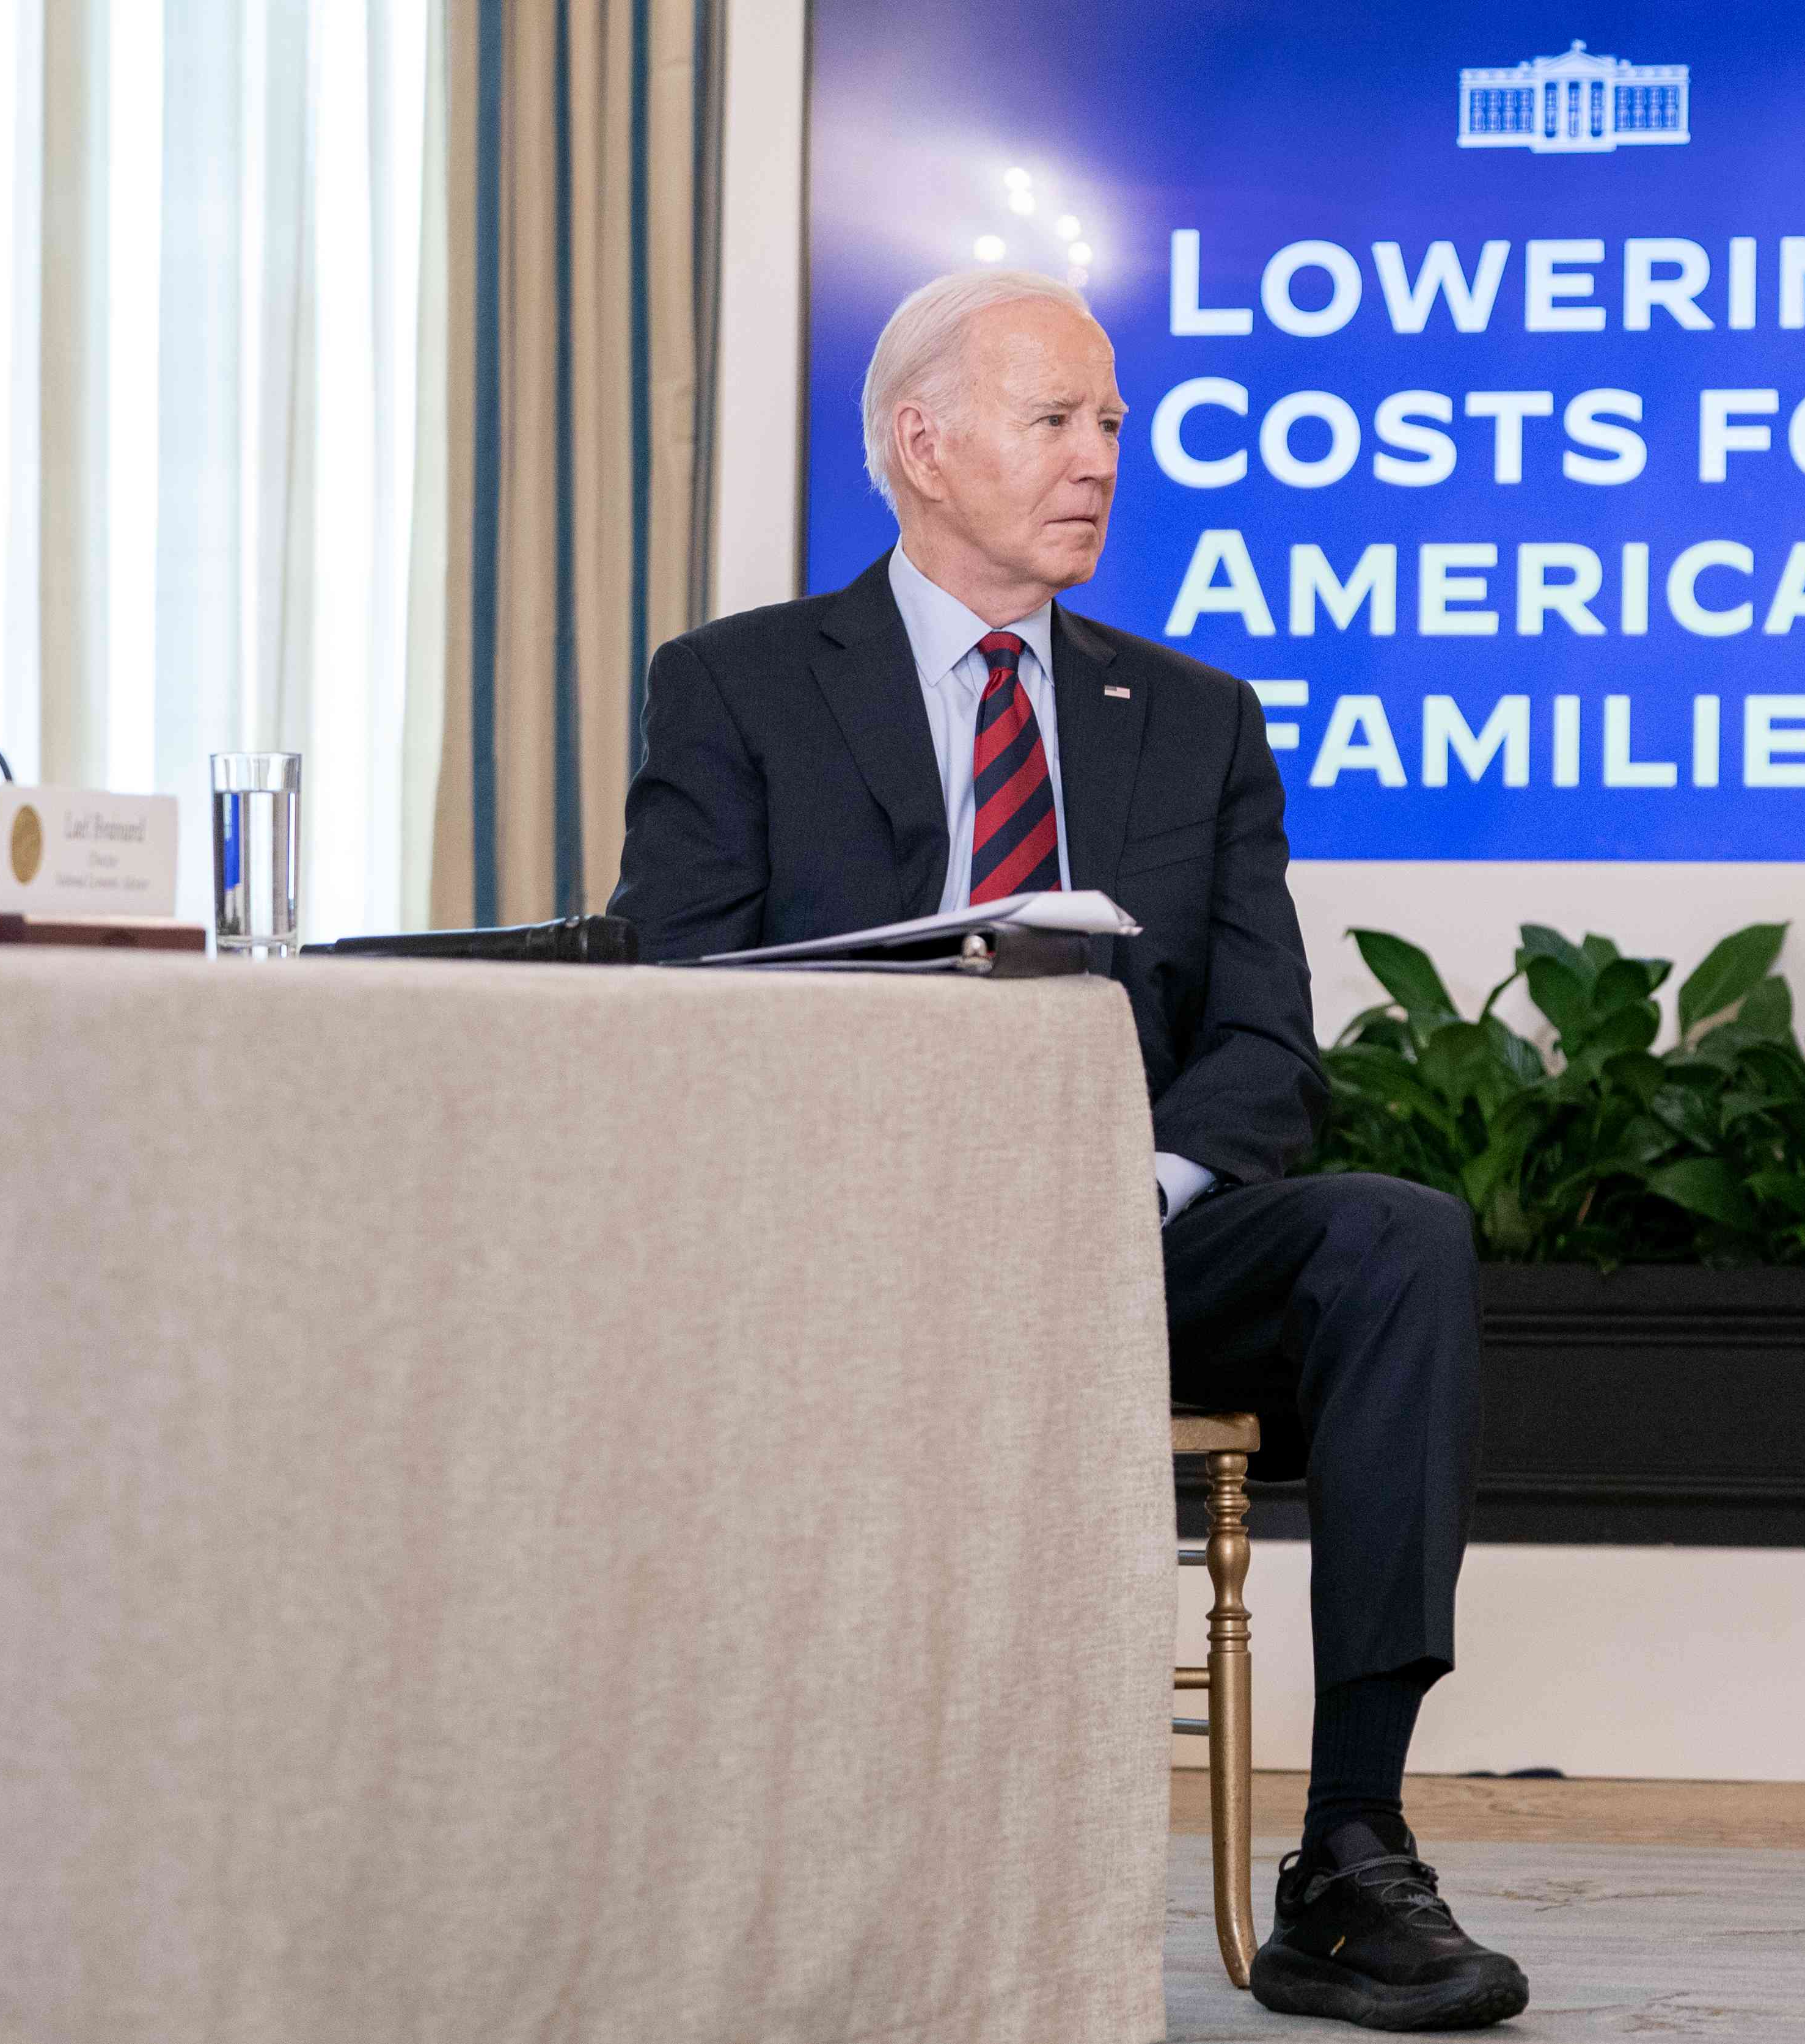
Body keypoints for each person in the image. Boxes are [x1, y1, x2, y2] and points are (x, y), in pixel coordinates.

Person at [609, 268, 1527, 2032]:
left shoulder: (1194, 716)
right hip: (841, 1247)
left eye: (1113, 421)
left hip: (1122, 1243)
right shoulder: (734, 689)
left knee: (1394, 1235)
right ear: (921, 443)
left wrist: (1130, 1196)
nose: (1103, 455)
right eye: (1057, 420)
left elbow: (1266, 1046)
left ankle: (1350, 1853)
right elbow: (675, 1005)